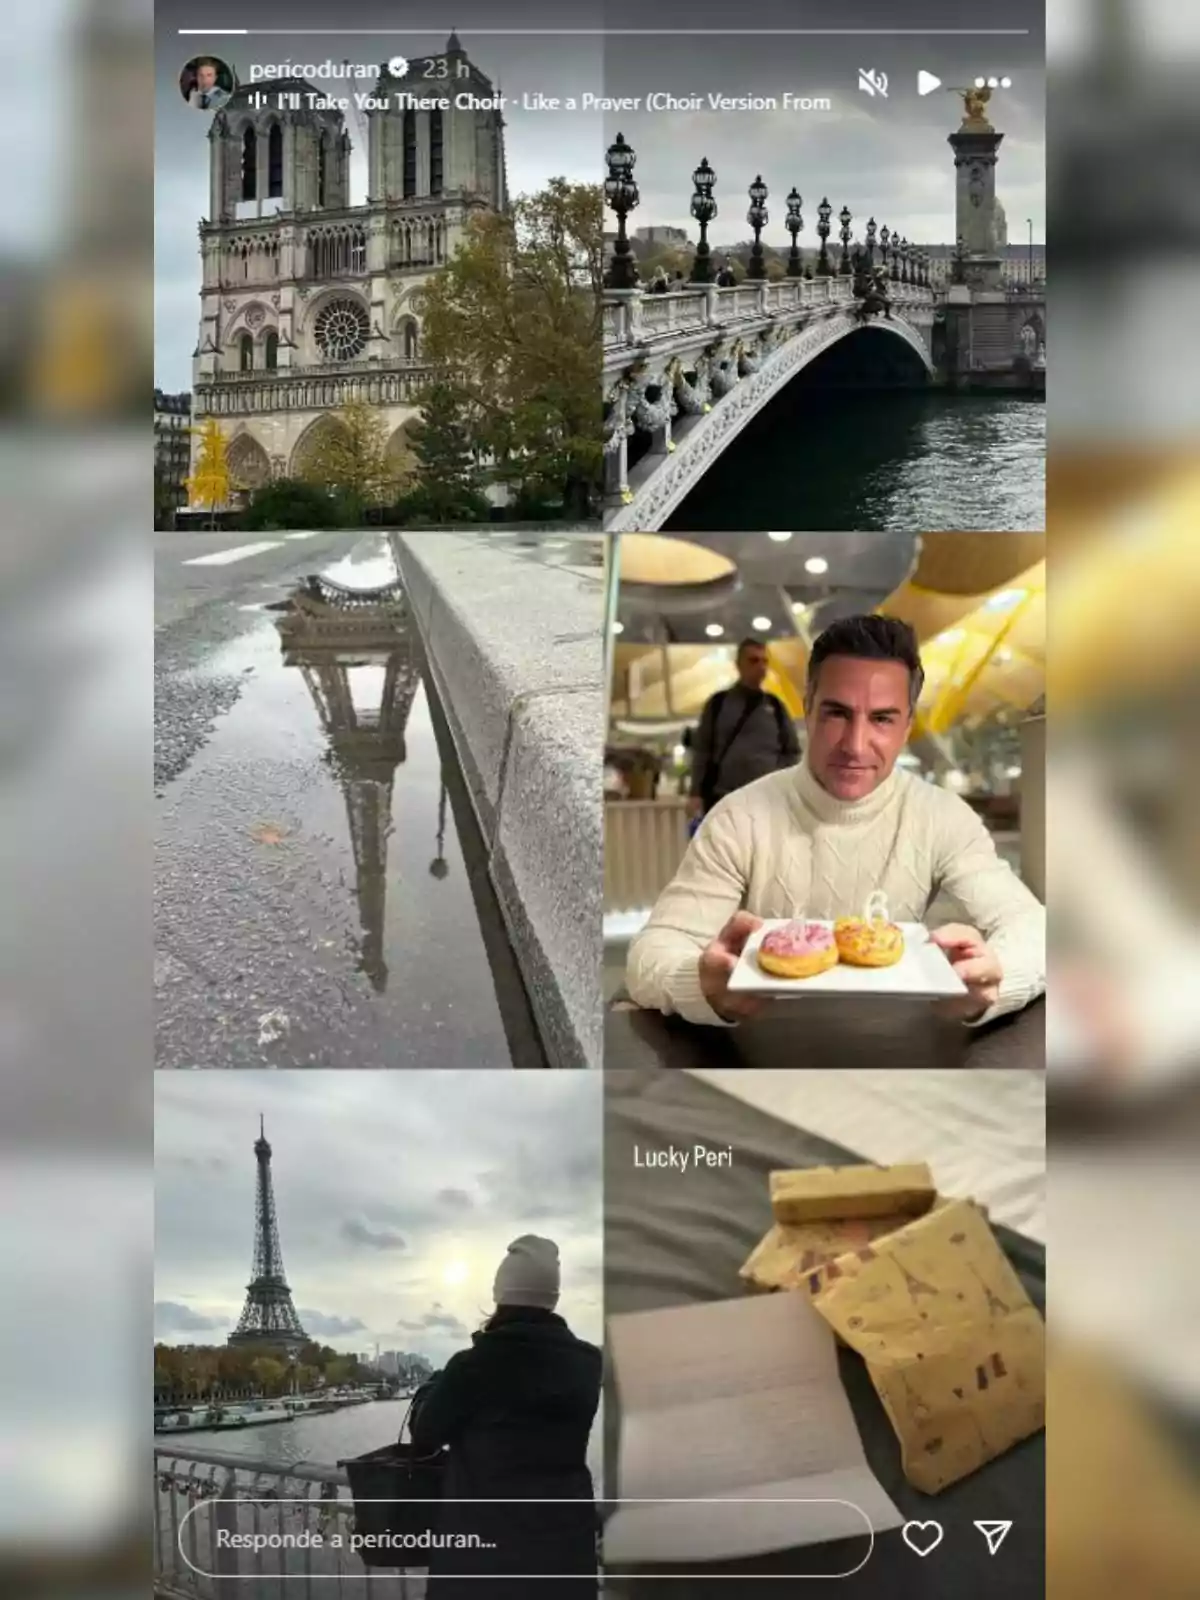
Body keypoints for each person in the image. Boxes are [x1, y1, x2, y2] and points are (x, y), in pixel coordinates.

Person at [628, 613, 1045, 1029]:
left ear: (906, 727)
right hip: (758, 1049)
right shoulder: (738, 818)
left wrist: (994, 982)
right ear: (808, 710)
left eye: (881, 718)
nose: (855, 745)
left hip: (897, 1042)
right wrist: (702, 985)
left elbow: (1035, 928)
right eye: (837, 714)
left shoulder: (943, 817)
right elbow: (651, 954)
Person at [408, 1236, 601, 1598]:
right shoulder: (589, 1363)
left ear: (500, 1296)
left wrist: (431, 1387)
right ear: (552, 1297)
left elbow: (425, 1433)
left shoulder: (474, 1365)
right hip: (563, 1557)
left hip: (482, 1562)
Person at [688, 637, 799, 819]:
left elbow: (792, 751)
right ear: (739, 664)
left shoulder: (776, 707)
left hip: (768, 800)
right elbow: (702, 750)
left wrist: (781, 781)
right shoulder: (718, 704)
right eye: (753, 660)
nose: (761, 667)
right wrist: (696, 792)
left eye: (765, 661)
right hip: (725, 799)